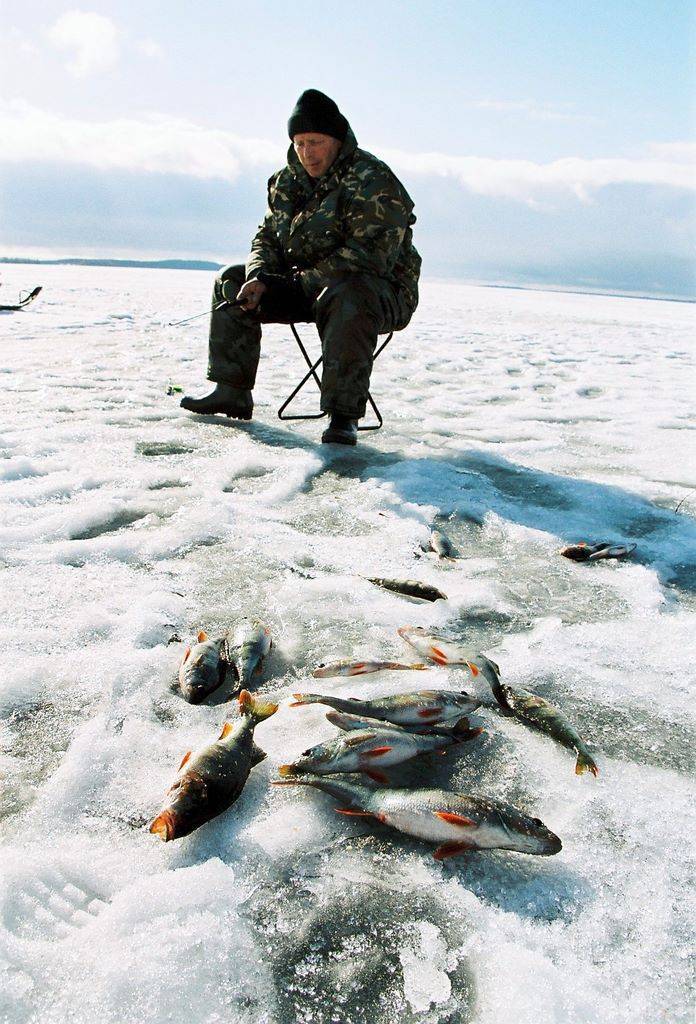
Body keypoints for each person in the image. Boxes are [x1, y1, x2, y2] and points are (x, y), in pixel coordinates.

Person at [180, 88, 421, 445]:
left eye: (316, 142)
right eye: (299, 143)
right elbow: (267, 238)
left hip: (378, 293)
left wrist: (294, 285)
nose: (307, 153)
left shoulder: (373, 180)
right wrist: (259, 276)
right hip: (306, 288)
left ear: (337, 140)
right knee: (231, 279)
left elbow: (369, 258)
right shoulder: (284, 182)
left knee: (349, 292)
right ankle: (231, 390)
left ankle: (344, 415)